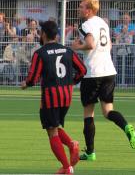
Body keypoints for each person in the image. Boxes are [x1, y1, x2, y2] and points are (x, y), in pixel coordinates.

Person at [72, 0, 135, 162]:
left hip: (92, 73)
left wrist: (77, 47)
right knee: (108, 111)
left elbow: (90, 44)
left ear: (88, 10)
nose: (79, 9)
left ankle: (90, 152)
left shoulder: (85, 24)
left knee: (89, 113)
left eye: (81, 7)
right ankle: (126, 126)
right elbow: (108, 45)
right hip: (108, 71)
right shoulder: (103, 23)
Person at [22, 20, 87, 174]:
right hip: (66, 96)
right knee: (54, 127)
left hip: (50, 97)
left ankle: (66, 168)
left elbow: (33, 77)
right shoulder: (68, 51)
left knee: (52, 132)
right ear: (56, 35)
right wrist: (71, 82)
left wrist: (26, 83)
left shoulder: (40, 53)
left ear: (43, 34)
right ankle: (72, 145)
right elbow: (83, 70)